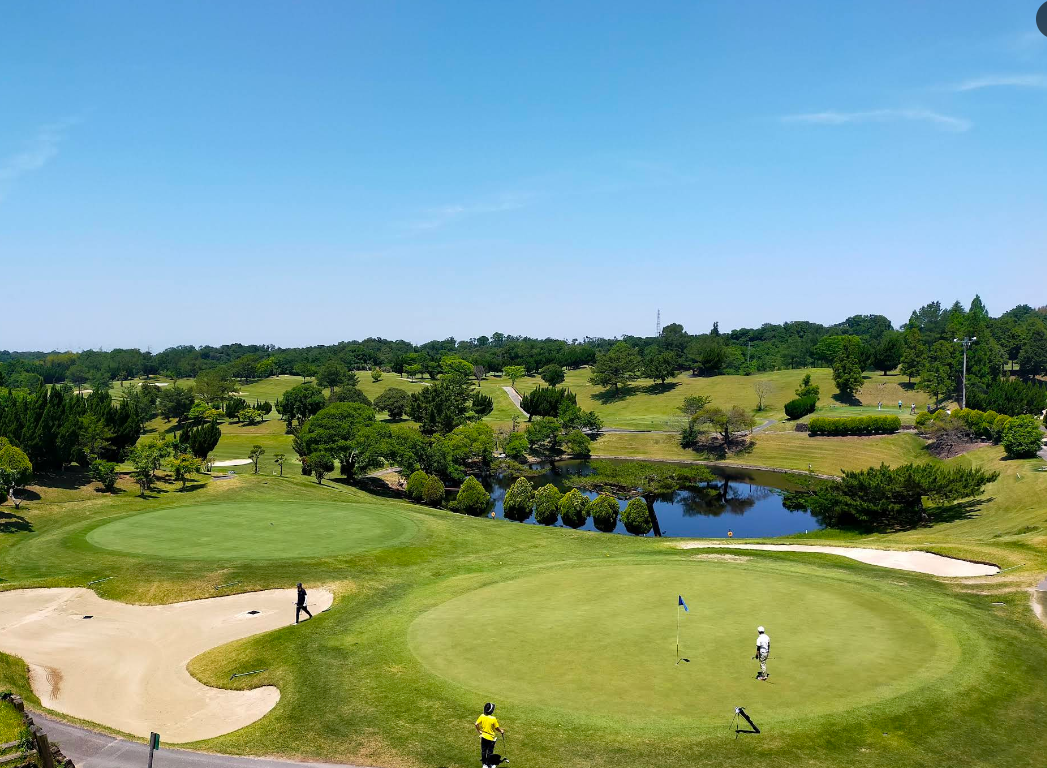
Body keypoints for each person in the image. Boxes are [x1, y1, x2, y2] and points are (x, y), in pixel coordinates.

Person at [475, 702, 505, 767]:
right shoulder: (493, 719)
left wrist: (479, 731)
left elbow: (476, 724)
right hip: (491, 738)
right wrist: (501, 731)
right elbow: (497, 728)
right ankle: (488, 764)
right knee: (490, 752)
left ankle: (484, 764)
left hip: (483, 736)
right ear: (491, 711)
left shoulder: (482, 716)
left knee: (483, 750)